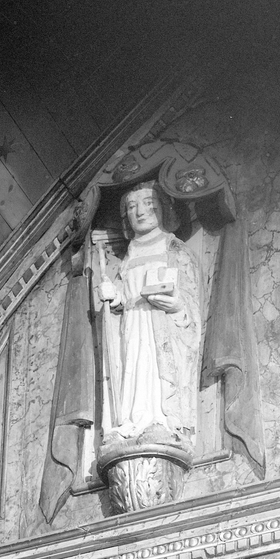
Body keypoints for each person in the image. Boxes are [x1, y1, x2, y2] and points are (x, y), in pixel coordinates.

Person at [98, 181, 201, 447]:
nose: (140, 212)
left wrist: (177, 305)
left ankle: (161, 421)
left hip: (161, 325)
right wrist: (115, 295)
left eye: (147, 204)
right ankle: (132, 423)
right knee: (133, 370)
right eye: (132, 207)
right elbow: (125, 295)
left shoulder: (174, 250)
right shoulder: (129, 256)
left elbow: (191, 301)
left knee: (154, 372)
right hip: (133, 325)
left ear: (162, 208)